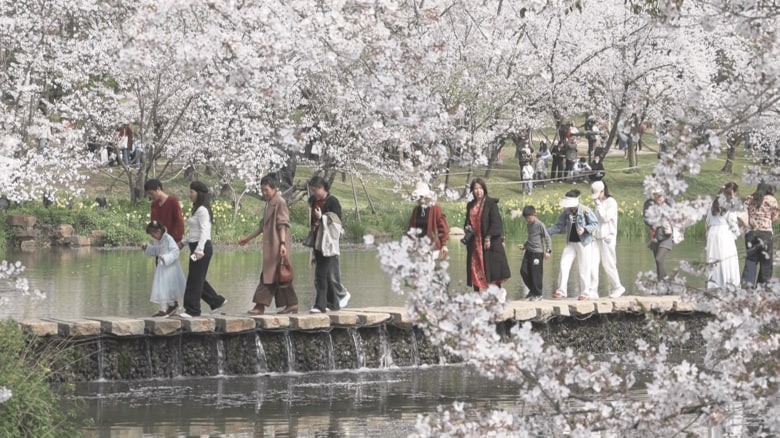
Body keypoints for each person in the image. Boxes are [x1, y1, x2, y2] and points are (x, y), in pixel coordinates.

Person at [240, 175, 298, 315]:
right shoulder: (270, 202)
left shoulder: (280, 202)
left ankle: (260, 306)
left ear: (274, 188)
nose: (264, 193)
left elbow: (283, 224)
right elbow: (262, 226)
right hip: (272, 245)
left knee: (269, 275)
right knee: (279, 276)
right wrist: (247, 239)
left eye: (266, 190)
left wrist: (283, 244)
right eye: (262, 190)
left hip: (277, 245)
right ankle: (292, 304)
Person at [180, 181, 227, 318]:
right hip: (195, 246)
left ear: (199, 194)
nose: (190, 195)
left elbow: (205, 231)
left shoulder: (203, 211)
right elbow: (194, 232)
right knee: (197, 278)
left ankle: (193, 310)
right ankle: (216, 301)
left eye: (192, 192)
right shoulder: (197, 208)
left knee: (195, 279)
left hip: (202, 249)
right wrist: (184, 242)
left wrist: (199, 250)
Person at [307, 176, 350, 313]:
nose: (313, 193)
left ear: (322, 188)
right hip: (317, 241)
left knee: (320, 274)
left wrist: (322, 218)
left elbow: (336, 224)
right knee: (325, 274)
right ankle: (333, 303)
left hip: (328, 243)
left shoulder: (332, 202)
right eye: (312, 190)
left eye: (315, 190)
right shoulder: (314, 201)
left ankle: (320, 305)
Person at [548, 190, 599, 300]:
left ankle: (585, 293)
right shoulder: (566, 212)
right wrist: (547, 232)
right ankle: (561, 291)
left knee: (584, 268)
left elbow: (595, 223)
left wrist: (585, 229)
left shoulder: (585, 210)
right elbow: (559, 226)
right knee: (563, 264)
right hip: (571, 243)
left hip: (584, 243)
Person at [464, 178, 511, 291]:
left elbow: (496, 222)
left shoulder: (491, 203)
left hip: (488, 241)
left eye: (480, 188)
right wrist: (467, 227)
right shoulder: (470, 205)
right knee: (474, 267)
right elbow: (467, 220)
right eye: (475, 189)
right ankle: (476, 295)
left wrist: (488, 238)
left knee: (492, 269)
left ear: (484, 189)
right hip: (475, 242)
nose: (478, 191)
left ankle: (497, 293)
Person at [142, 220, 185, 317]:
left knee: (169, 287)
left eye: (153, 234)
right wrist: (147, 248)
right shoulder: (157, 241)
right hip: (161, 268)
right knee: (162, 287)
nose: (152, 236)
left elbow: (175, 251)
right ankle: (164, 308)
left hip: (170, 267)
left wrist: (166, 258)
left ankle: (171, 305)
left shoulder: (168, 238)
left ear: (159, 231)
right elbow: (156, 250)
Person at [590, 181, 625, 298]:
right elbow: (596, 220)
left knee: (608, 264)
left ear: (602, 191)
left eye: (597, 194)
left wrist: (599, 205)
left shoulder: (612, 202)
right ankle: (592, 290)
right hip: (596, 237)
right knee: (593, 263)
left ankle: (618, 287)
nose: (596, 198)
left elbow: (605, 218)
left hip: (607, 237)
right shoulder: (598, 203)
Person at [742, 182, 778, 287]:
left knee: (751, 260)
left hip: (751, 232)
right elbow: (774, 217)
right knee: (766, 262)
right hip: (765, 232)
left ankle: (747, 286)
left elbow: (744, 214)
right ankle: (762, 288)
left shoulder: (749, 198)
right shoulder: (771, 200)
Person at [705, 182, 741, 288]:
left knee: (714, 258)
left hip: (713, 233)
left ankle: (714, 284)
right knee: (727, 258)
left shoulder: (713, 203)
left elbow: (707, 221)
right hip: (724, 233)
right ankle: (728, 283)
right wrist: (738, 233)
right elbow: (733, 223)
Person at [408, 181, 449, 260]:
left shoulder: (436, 208)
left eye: (423, 197)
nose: (421, 199)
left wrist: (444, 245)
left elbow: (443, 227)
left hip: (432, 247)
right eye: (419, 197)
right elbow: (411, 228)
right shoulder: (416, 210)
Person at [518, 206, 552, 301]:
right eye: (526, 218)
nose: (527, 220)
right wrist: (524, 246)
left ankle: (538, 294)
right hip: (528, 251)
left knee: (536, 274)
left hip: (537, 252)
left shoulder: (540, 225)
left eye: (529, 218)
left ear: (534, 215)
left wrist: (548, 251)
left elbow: (547, 238)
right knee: (523, 271)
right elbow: (531, 238)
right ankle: (533, 290)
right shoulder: (529, 225)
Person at [643, 192, 674, 282]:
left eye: (661, 194)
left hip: (667, 235)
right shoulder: (648, 203)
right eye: (657, 195)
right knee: (658, 263)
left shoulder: (668, 203)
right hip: (655, 235)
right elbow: (645, 219)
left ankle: (661, 285)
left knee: (659, 258)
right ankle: (667, 284)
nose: (660, 197)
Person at [144, 179, 185, 247]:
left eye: (151, 193)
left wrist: (177, 240)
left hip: (172, 241)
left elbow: (179, 222)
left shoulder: (173, 202)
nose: (150, 196)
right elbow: (154, 223)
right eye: (148, 194)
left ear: (158, 189)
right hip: (159, 242)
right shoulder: (154, 205)